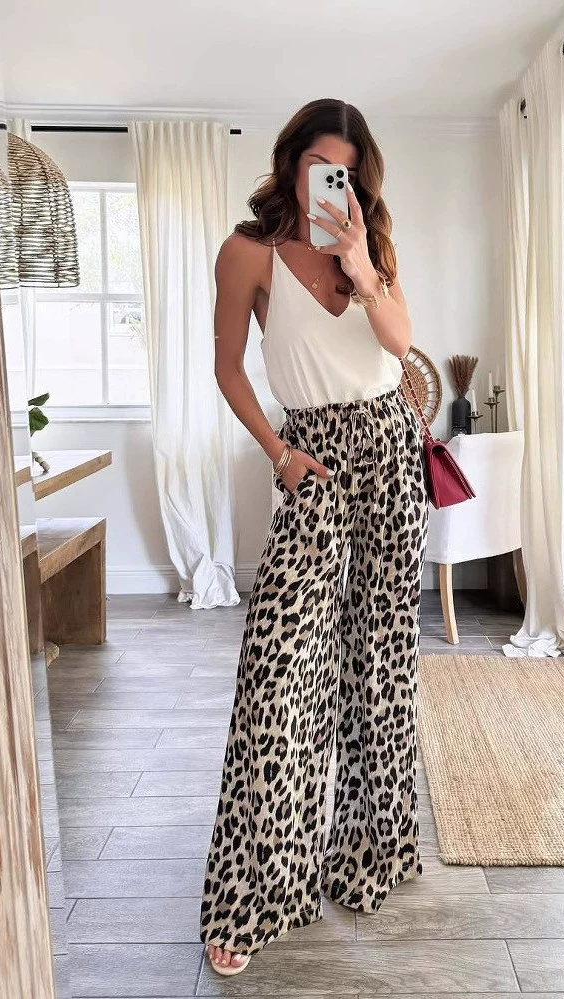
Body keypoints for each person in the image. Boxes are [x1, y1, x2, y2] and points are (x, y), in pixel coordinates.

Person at [200, 97, 430, 977]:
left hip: (390, 450)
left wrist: (360, 266)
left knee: (380, 660)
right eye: (318, 164)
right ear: (290, 161)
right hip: (315, 459)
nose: (334, 179)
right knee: (279, 673)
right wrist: (279, 452)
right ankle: (252, 892)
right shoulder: (247, 252)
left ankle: (368, 853)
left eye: (348, 168)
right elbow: (227, 365)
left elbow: (399, 345)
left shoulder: (371, 245)